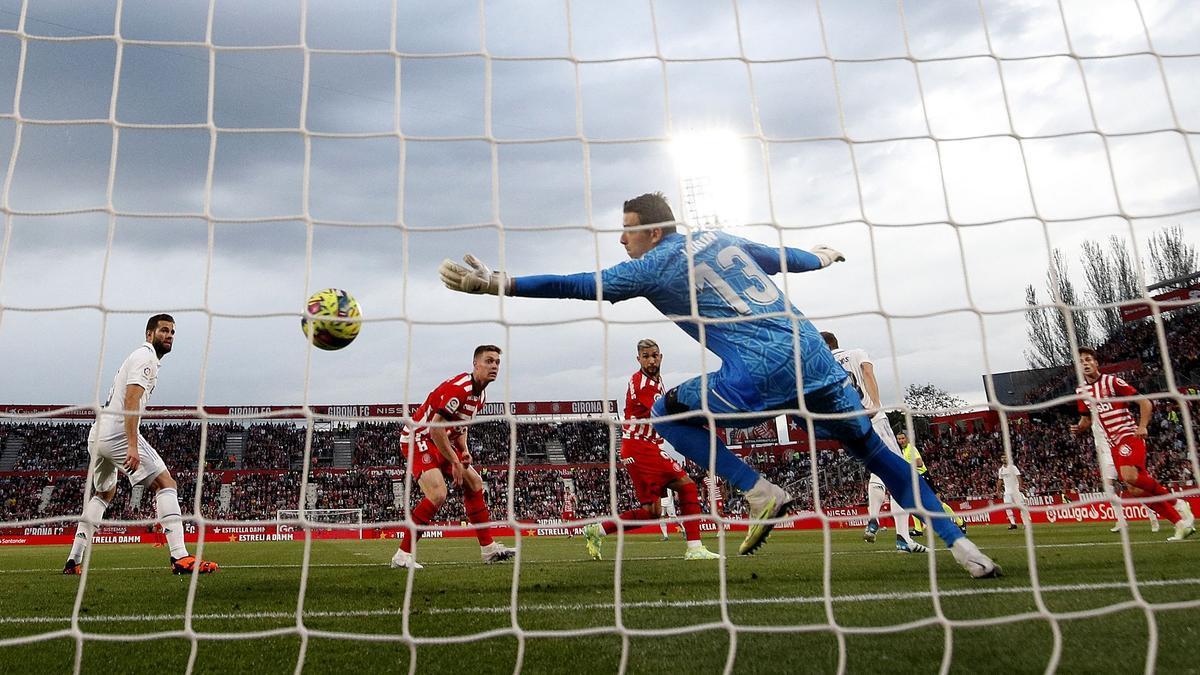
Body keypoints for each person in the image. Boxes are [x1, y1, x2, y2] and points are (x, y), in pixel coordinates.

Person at [440, 192, 999, 577]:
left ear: (653, 230)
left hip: (762, 372)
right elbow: (783, 258)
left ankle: (760, 492)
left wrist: (499, 282)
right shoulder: (715, 237)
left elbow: (582, 285)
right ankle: (965, 548)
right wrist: (823, 257)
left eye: (628, 230)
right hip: (814, 357)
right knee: (877, 455)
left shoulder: (652, 263)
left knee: (666, 412)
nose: (622, 240)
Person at [63, 314, 218, 576]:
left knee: (104, 494)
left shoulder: (140, 358)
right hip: (116, 433)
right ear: (149, 334)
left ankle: (73, 560)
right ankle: (180, 557)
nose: (169, 336)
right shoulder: (145, 357)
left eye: (172, 332)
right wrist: (132, 446)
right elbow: (132, 400)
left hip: (98, 434)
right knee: (166, 483)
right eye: (163, 331)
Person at [581, 338, 719, 561]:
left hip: (638, 448)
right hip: (641, 447)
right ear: (639, 359)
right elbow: (665, 414)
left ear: (660, 357)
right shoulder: (643, 385)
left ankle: (598, 530)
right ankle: (694, 548)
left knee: (652, 512)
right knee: (687, 486)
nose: (651, 360)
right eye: (646, 357)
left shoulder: (656, 381)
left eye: (654, 355)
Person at [390, 345, 517, 569]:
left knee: (475, 482)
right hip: (418, 437)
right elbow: (435, 429)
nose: (494, 366)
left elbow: (460, 426)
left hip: (439, 440)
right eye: (489, 361)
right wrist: (456, 462)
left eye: (497, 362)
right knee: (438, 493)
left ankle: (488, 550)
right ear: (475, 365)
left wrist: (464, 449)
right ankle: (402, 555)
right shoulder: (460, 389)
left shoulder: (481, 395)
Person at [1070, 347, 1193, 541]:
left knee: (1129, 475)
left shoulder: (1112, 382)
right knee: (1134, 488)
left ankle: (1177, 502)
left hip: (1129, 435)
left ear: (1096, 363)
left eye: (1088, 360)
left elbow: (1145, 403)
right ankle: (1179, 523)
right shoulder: (1081, 391)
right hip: (1113, 444)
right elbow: (1086, 420)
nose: (1085, 364)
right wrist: (1079, 428)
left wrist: (1142, 426)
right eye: (1081, 361)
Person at [821, 331, 927, 554]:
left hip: (849, 426)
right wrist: (875, 403)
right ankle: (903, 537)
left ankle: (874, 518)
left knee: (878, 470)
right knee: (900, 473)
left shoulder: (823, 365)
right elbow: (868, 373)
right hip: (873, 418)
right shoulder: (857, 353)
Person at [895, 431, 966, 538]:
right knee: (912, 502)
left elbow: (919, 463)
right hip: (915, 479)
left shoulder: (911, 448)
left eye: (902, 438)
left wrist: (906, 465)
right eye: (899, 439)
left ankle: (960, 522)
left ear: (907, 439)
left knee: (938, 502)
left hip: (923, 477)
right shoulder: (904, 451)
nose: (901, 441)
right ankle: (918, 529)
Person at [1096, 426, 1159, 533]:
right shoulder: (1093, 422)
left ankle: (1152, 515)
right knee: (1108, 488)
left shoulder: (1106, 416)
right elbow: (1098, 444)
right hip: (1106, 458)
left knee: (1134, 488)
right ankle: (1121, 521)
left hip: (1118, 453)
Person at [995, 462, 1027, 530]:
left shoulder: (1013, 467)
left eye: (1005, 457)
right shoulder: (1001, 470)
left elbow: (1019, 476)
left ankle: (1025, 523)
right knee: (1007, 507)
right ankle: (1013, 524)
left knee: (1021, 506)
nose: (1003, 459)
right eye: (1002, 458)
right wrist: (998, 490)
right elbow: (1000, 480)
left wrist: (1020, 486)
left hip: (1016, 490)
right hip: (1007, 491)